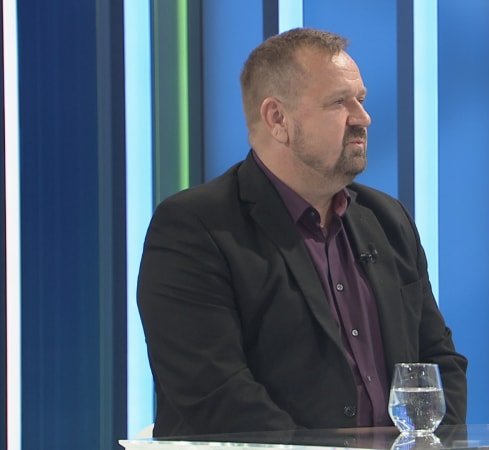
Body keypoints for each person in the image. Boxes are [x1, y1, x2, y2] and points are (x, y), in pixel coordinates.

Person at [137, 27, 468, 438]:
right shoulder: (196, 227)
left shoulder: (388, 219)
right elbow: (216, 394)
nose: (363, 118)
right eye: (339, 103)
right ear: (277, 119)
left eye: (361, 100)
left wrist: (430, 443)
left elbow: (439, 362)